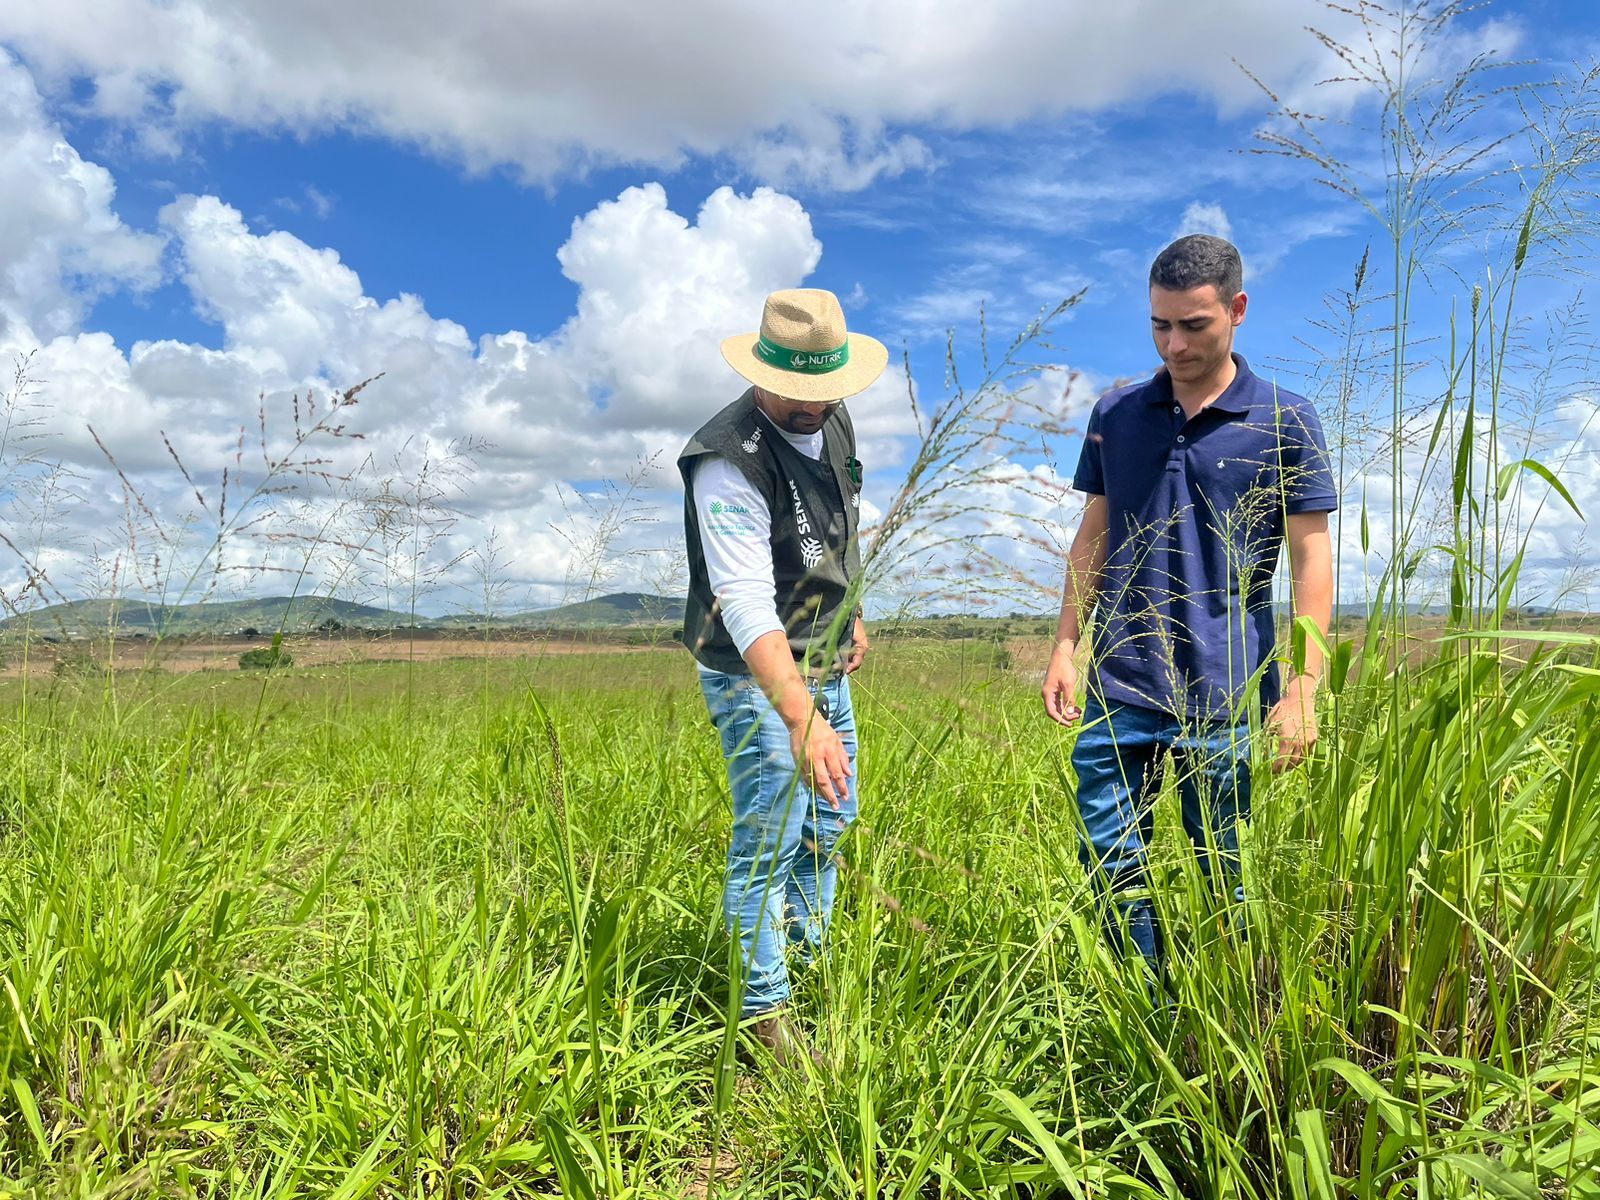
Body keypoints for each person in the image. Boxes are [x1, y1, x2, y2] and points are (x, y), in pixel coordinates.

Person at [1041, 234, 1336, 968]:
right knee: (1110, 867)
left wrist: (1304, 685)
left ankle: (1229, 1013)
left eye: (1194, 325)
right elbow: (1094, 535)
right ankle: (1147, 1005)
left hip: (1231, 691)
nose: (1174, 344)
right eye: (1159, 325)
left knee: (1225, 875)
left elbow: (1311, 557)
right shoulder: (1118, 412)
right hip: (1122, 680)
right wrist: (1065, 645)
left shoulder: (1285, 419)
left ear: (1237, 311)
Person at [679, 287, 885, 1065]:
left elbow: (842, 522)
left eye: (825, 389)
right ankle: (765, 1021)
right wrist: (800, 716)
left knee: (828, 826)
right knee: (768, 841)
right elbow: (743, 602)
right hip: (756, 672)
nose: (813, 405)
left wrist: (852, 608)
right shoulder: (726, 459)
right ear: (764, 368)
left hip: (827, 657)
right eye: (797, 391)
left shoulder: (835, 420)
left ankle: (811, 972)